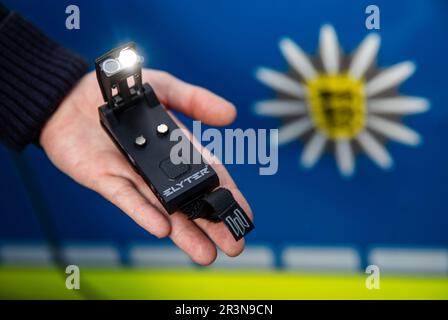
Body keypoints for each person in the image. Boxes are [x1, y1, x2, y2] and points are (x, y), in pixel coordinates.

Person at [0, 4, 253, 265]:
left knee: (166, 142)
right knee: (152, 147)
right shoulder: (111, 117)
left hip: (145, 111)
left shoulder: (147, 99)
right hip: (118, 118)